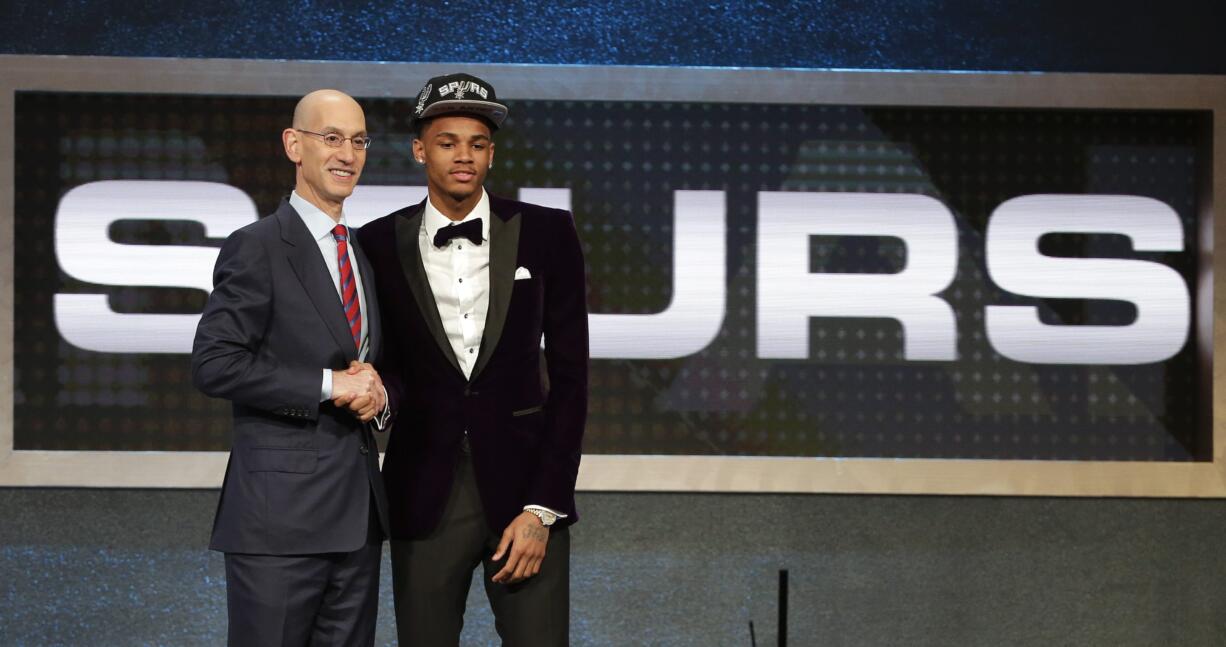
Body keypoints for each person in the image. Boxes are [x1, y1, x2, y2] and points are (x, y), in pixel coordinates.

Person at [358, 73, 589, 646]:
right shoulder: (376, 243)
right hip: (423, 491)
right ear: (419, 149)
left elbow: (572, 379)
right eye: (447, 141)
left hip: (525, 496)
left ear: (491, 152)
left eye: (477, 143)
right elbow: (379, 364)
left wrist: (545, 508)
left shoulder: (548, 231)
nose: (464, 156)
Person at [191, 89, 390, 647]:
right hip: (278, 525)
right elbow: (214, 363)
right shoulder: (257, 246)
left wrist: (377, 395)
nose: (347, 153)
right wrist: (329, 385)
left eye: (358, 141)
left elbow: (370, 368)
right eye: (331, 138)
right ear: (293, 145)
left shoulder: (362, 253)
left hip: (357, 523)